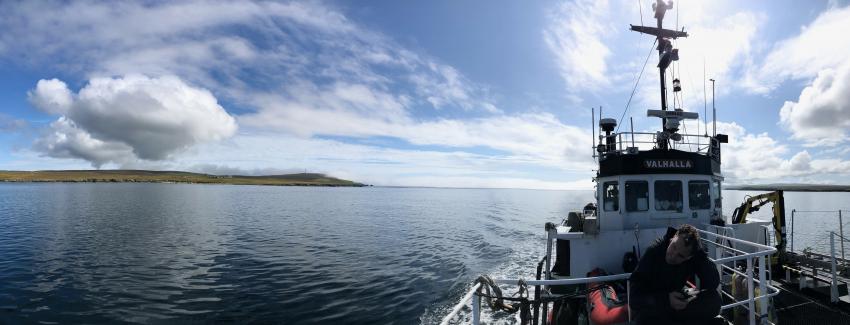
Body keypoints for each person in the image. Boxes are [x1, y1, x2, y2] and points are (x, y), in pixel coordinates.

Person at [629, 224, 722, 325]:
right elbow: (634, 299)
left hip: (677, 305)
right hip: (655, 307)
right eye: (673, 246)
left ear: (689, 257)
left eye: (680, 256)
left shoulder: (692, 257)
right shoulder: (653, 253)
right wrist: (666, 300)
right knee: (644, 319)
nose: (673, 255)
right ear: (672, 238)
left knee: (714, 301)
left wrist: (700, 255)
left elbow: (713, 283)